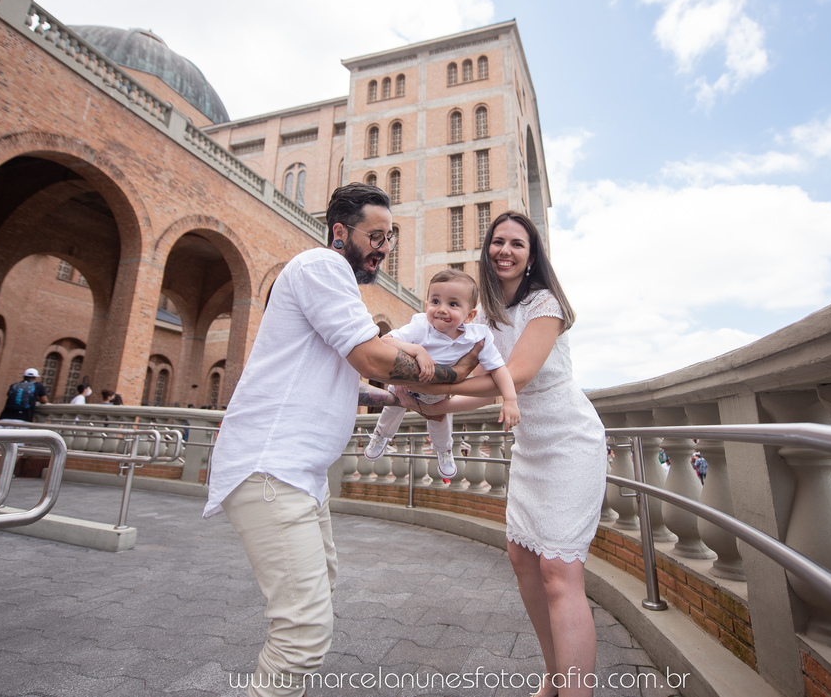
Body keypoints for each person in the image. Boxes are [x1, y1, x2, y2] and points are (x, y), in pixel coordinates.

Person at [203, 184, 481, 697]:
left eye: (390, 237)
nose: (384, 247)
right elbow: (373, 360)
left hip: (300, 476)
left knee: (316, 594)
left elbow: (347, 380)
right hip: (273, 468)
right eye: (375, 235)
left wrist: (399, 400)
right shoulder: (321, 266)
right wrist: (449, 371)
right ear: (339, 233)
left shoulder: (334, 289)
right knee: (303, 631)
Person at [412, 211, 606, 697]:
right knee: (523, 560)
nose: (505, 250)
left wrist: (429, 380)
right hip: (530, 446)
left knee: (560, 573)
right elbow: (484, 389)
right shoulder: (484, 318)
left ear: (532, 255)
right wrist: (436, 407)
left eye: (517, 244)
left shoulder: (546, 303)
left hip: (569, 442)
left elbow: (515, 376)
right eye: (497, 242)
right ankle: (556, 675)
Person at [362, 269, 519, 477]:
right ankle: (381, 436)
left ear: (470, 315)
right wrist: (418, 350)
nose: (442, 309)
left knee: (441, 423)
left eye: (453, 304)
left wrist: (510, 399)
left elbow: (498, 369)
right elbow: (385, 341)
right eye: (435, 301)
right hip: (406, 383)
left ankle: (444, 451)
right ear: (427, 305)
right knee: (392, 409)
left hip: (437, 392)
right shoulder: (421, 325)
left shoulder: (477, 337)